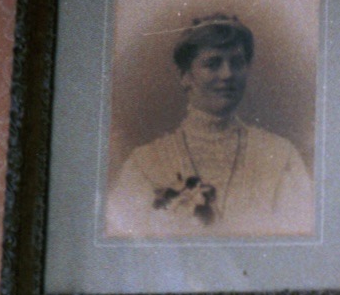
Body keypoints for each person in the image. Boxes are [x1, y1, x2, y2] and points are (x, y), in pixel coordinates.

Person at [104, 13, 314, 239]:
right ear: (186, 77)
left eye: (237, 63)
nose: (227, 74)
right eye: (212, 64)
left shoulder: (281, 156)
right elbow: (126, 250)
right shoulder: (146, 163)